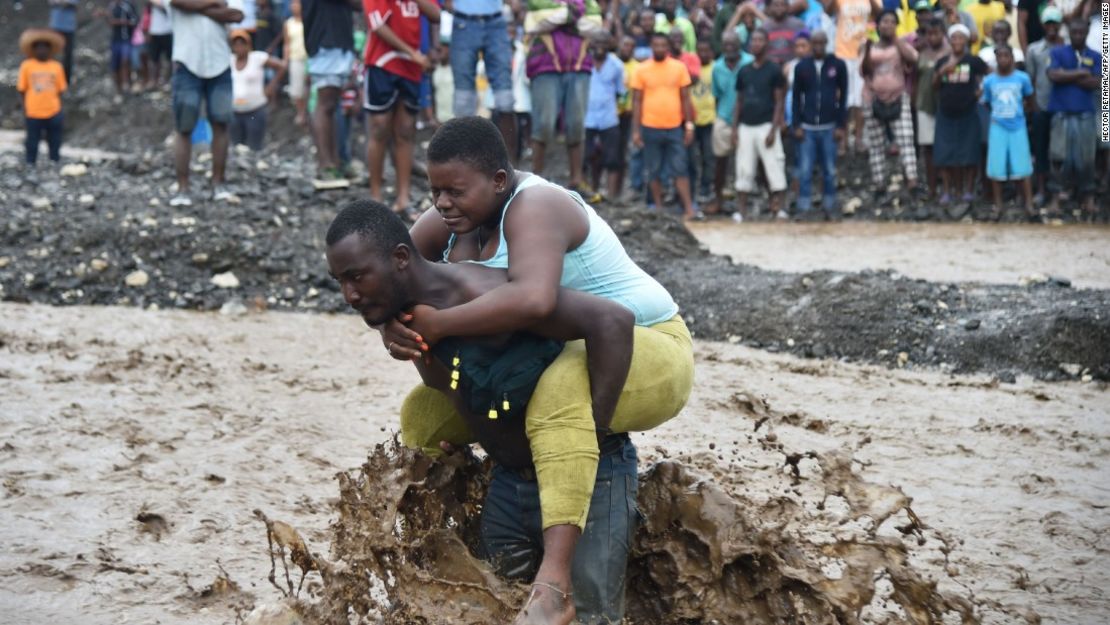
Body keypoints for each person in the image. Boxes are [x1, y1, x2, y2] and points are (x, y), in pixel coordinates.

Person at [378, 116, 694, 625]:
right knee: (425, 411)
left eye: (454, 191)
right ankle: (432, 541)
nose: (441, 204)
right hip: (562, 351)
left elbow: (533, 298)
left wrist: (438, 324)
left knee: (561, 387)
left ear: (499, 181)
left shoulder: (538, 205)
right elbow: (389, 269)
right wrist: (394, 327)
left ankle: (554, 583)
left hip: (648, 344)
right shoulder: (453, 215)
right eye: (434, 191)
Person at [361, 0, 441, 214]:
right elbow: (377, 25)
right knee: (379, 127)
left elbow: (435, 14)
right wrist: (413, 53)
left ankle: (402, 199)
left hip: (411, 66)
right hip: (382, 62)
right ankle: (376, 197)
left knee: (406, 130)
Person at [168, 0, 245, 208]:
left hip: (219, 63)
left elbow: (237, 15)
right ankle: (183, 187)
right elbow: (177, 2)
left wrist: (197, 6)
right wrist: (215, 4)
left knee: (220, 124)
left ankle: (218, 183)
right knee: (184, 127)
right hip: (187, 63)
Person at [525, 1, 595, 198]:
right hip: (545, 64)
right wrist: (572, 17)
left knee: (577, 123)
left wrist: (559, 19)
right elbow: (539, 20)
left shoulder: (587, 2)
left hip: (579, 66)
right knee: (544, 123)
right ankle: (535, 179)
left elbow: (597, 27)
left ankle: (576, 180)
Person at [631, 32, 698, 219]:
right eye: (656, 45)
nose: (659, 48)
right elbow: (637, 101)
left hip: (675, 127)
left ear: (668, 47)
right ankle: (659, 209)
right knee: (653, 169)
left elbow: (685, 97)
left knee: (680, 168)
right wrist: (636, 131)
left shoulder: (678, 68)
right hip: (650, 126)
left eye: (663, 45)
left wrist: (689, 125)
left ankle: (689, 209)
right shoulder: (641, 69)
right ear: (651, 46)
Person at [860, 10, 919, 202]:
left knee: (906, 139)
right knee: (876, 143)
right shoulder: (867, 46)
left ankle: (912, 182)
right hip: (872, 98)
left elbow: (913, 58)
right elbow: (864, 70)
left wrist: (896, 39)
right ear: (877, 25)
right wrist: (868, 50)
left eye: (892, 22)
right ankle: (879, 185)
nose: (888, 25)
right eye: (884, 21)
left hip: (898, 97)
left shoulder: (900, 44)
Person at [1046, 17, 1100, 217]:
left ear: (1087, 33)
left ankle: (1088, 198)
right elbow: (1053, 76)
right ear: (1069, 32)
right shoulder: (1058, 52)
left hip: (1085, 114)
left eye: (1081, 32)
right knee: (1059, 157)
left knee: (1087, 159)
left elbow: (1096, 82)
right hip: (1061, 113)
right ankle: (1055, 198)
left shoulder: (1095, 55)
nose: (1078, 35)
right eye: (1074, 32)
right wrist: (1080, 73)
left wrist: (1067, 75)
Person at [449, 0, 517, 160]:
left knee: (506, 100)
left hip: (495, 22)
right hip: (463, 22)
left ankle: (511, 167)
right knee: (463, 101)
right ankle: (465, 163)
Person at [731, 29, 787, 220]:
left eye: (759, 40)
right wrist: (734, 128)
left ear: (766, 44)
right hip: (746, 125)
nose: (755, 43)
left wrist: (774, 128)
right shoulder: (744, 71)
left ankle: (778, 208)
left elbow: (779, 101)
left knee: (774, 165)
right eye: (753, 40)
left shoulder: (774, 70)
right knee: (744, 168)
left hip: (766, 125)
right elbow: (739, 101)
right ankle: (741, 210)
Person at [792, 29, 847, 218]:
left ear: (826, 43)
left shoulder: (837, 65)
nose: (817, 47)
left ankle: (829, 207)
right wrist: (796, 125)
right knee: (805, 170)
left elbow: (844, 96)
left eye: (821, 43)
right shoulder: (802, 67)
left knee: (830, 170)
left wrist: (841, 126)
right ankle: (804, 208)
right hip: (807, 128)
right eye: (814, 43)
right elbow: (796, 98)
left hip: (829, 126)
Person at [933, 23, 986, 212]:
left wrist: (982, 92)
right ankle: (948, 191)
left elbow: (989, 74)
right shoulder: (942, 61)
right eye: (953, 37)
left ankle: (968, 190)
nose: (957, 41)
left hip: (968, 112)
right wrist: (942, 71)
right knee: (945, 154)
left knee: (969, 153)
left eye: (960, 38)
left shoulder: (973, 61)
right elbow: (935, 86)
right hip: (946, 113)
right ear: (949, 40)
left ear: (965, 41)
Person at [303, 0, 356, 189]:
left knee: (331, 105)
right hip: (326, 40)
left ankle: (334, 162)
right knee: (325, 103)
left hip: (335, 39)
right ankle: (325, 165)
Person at [980, 44, 1035, 220]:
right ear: (995, 59)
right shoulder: (989, 81)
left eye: (1006, 56)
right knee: (996, 168)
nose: (1003, 59)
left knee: (1023, 167)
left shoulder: (1022, 78)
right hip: (997, 127)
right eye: (1000, 56)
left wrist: (1022, 115)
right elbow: (987, 102)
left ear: (1012, 57)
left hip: (1018, 126)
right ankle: (998, 205)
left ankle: (1028, 204)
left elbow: (1030, 99)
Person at [826, 0, 882, 153]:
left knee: (859, 98)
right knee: (842, 98)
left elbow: (879, 14)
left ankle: (858, 138)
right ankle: (842, 140)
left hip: (862, 53)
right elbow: (828, 11)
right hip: (841, 52)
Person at [709, 30, 752, 213]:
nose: (729, 48)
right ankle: (718, 199)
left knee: (746, 163)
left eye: (733, 44)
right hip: (725, 117)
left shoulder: (749, 62)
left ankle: (747, 204)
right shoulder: (717, 67)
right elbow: (717, 95)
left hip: (748, 120)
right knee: (720, 161)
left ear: (739, 43)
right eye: (726, 44)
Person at [1024, 6, 1063, 204]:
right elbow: (1030, 80)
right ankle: (1040, 190)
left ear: (1060, 24)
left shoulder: (1067, 47)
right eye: (1048, 23)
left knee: (1059, 152)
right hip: (1041, 107)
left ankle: (1059, 190)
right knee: (1040, 150)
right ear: (1043, 25)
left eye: (1055, 23)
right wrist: (1033, 106)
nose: (1052, 27)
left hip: (1062, 109)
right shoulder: (1034, 49)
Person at [583, 32, 626, 201]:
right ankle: (589, 190)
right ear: (591, 44)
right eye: (596, 41)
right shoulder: (585, 61)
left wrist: (619, 109)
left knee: (612, 157)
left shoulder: (616, 65)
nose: (600, 45)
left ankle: (611, 195)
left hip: (609, 117)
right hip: (587, 117)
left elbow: (621, 92)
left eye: (604, 42)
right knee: (587, 155)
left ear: (609, 44)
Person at [229, 29, 286, 151]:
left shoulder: (257, 58)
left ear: (248, 45)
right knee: (236, 147)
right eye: (236, 44)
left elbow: (281, 66)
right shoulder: (230, 60)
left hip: (254, 110)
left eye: (242, 44)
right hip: (234, 111)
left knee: (254, 147)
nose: (239, 47)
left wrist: (271, 87)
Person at [18, 30, 68, 168]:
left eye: (44, 46)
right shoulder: (27, 66)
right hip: (33, 112)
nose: (42, 50)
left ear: (49, 49)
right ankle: (30, 164)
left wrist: (59, 110)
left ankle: (54, 162)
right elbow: (22, 89)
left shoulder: (56, 67)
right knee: (32, 140)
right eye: (38, 47)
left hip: (53, 111)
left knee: (55, 139)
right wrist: (25, 109)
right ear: (34, 49)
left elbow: (60, 90)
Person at [913, 17, 949, 200]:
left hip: (945, 107)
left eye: (936, 33)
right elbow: (915, 79)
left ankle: (947, 189)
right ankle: (932, 188)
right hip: (924, 105)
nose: (933, 37)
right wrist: (914, 101)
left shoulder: (950, 53)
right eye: (929, 33)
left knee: (945, 146)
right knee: (927, 149)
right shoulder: (922, 54)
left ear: (943, 34)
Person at [689, 38, 717, 204]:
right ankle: (693, 190)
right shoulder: (691, 69)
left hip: (710, 119)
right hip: (693, 120)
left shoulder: (715, 68)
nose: (703, 54)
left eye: (707, 51)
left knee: (708, 156)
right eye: (700, 51)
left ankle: (707, 187)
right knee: (692, 159)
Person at [104, 0, 140, 95]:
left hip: (126, 39)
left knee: (125, 60)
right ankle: (119, 89)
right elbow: (109, 21)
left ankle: (126, 84)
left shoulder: (127, 6)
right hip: (115, 40)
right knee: (115, 66)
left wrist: (121, 22)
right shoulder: (112, 6)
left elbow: (135, 20)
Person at [284, 0, 309, 126]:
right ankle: (301, 113)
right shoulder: (288, 23)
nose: (294, 6)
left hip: (308, 58)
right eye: (292, 3)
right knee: (297, 89)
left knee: (308, 87)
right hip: (295, 58)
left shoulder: (308, 20)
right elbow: (287, 44)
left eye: (297, 3)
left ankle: (308, 112)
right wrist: (285, 60)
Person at [762, 0, 806, 66]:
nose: (779, 7)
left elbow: (806, 48)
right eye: (776, 5)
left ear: (788, 7)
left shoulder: (798, 25)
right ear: (770, 7)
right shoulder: (765, 27)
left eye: (782, 5)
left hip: (793, 66)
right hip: (770, 67)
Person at [49, 0, 78, 85]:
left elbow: (69, 4)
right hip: (55, 26)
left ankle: (66, 80)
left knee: (68, 54)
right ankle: (52, 77)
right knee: (52, 53)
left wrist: (60, 3)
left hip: (69, 27)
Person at [147, 0, 174, 88]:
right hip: (155, 31)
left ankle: (166, 79)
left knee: (169, 58)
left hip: (168, 31)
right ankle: (154, 80)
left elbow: (164, 8)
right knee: (154, 58)